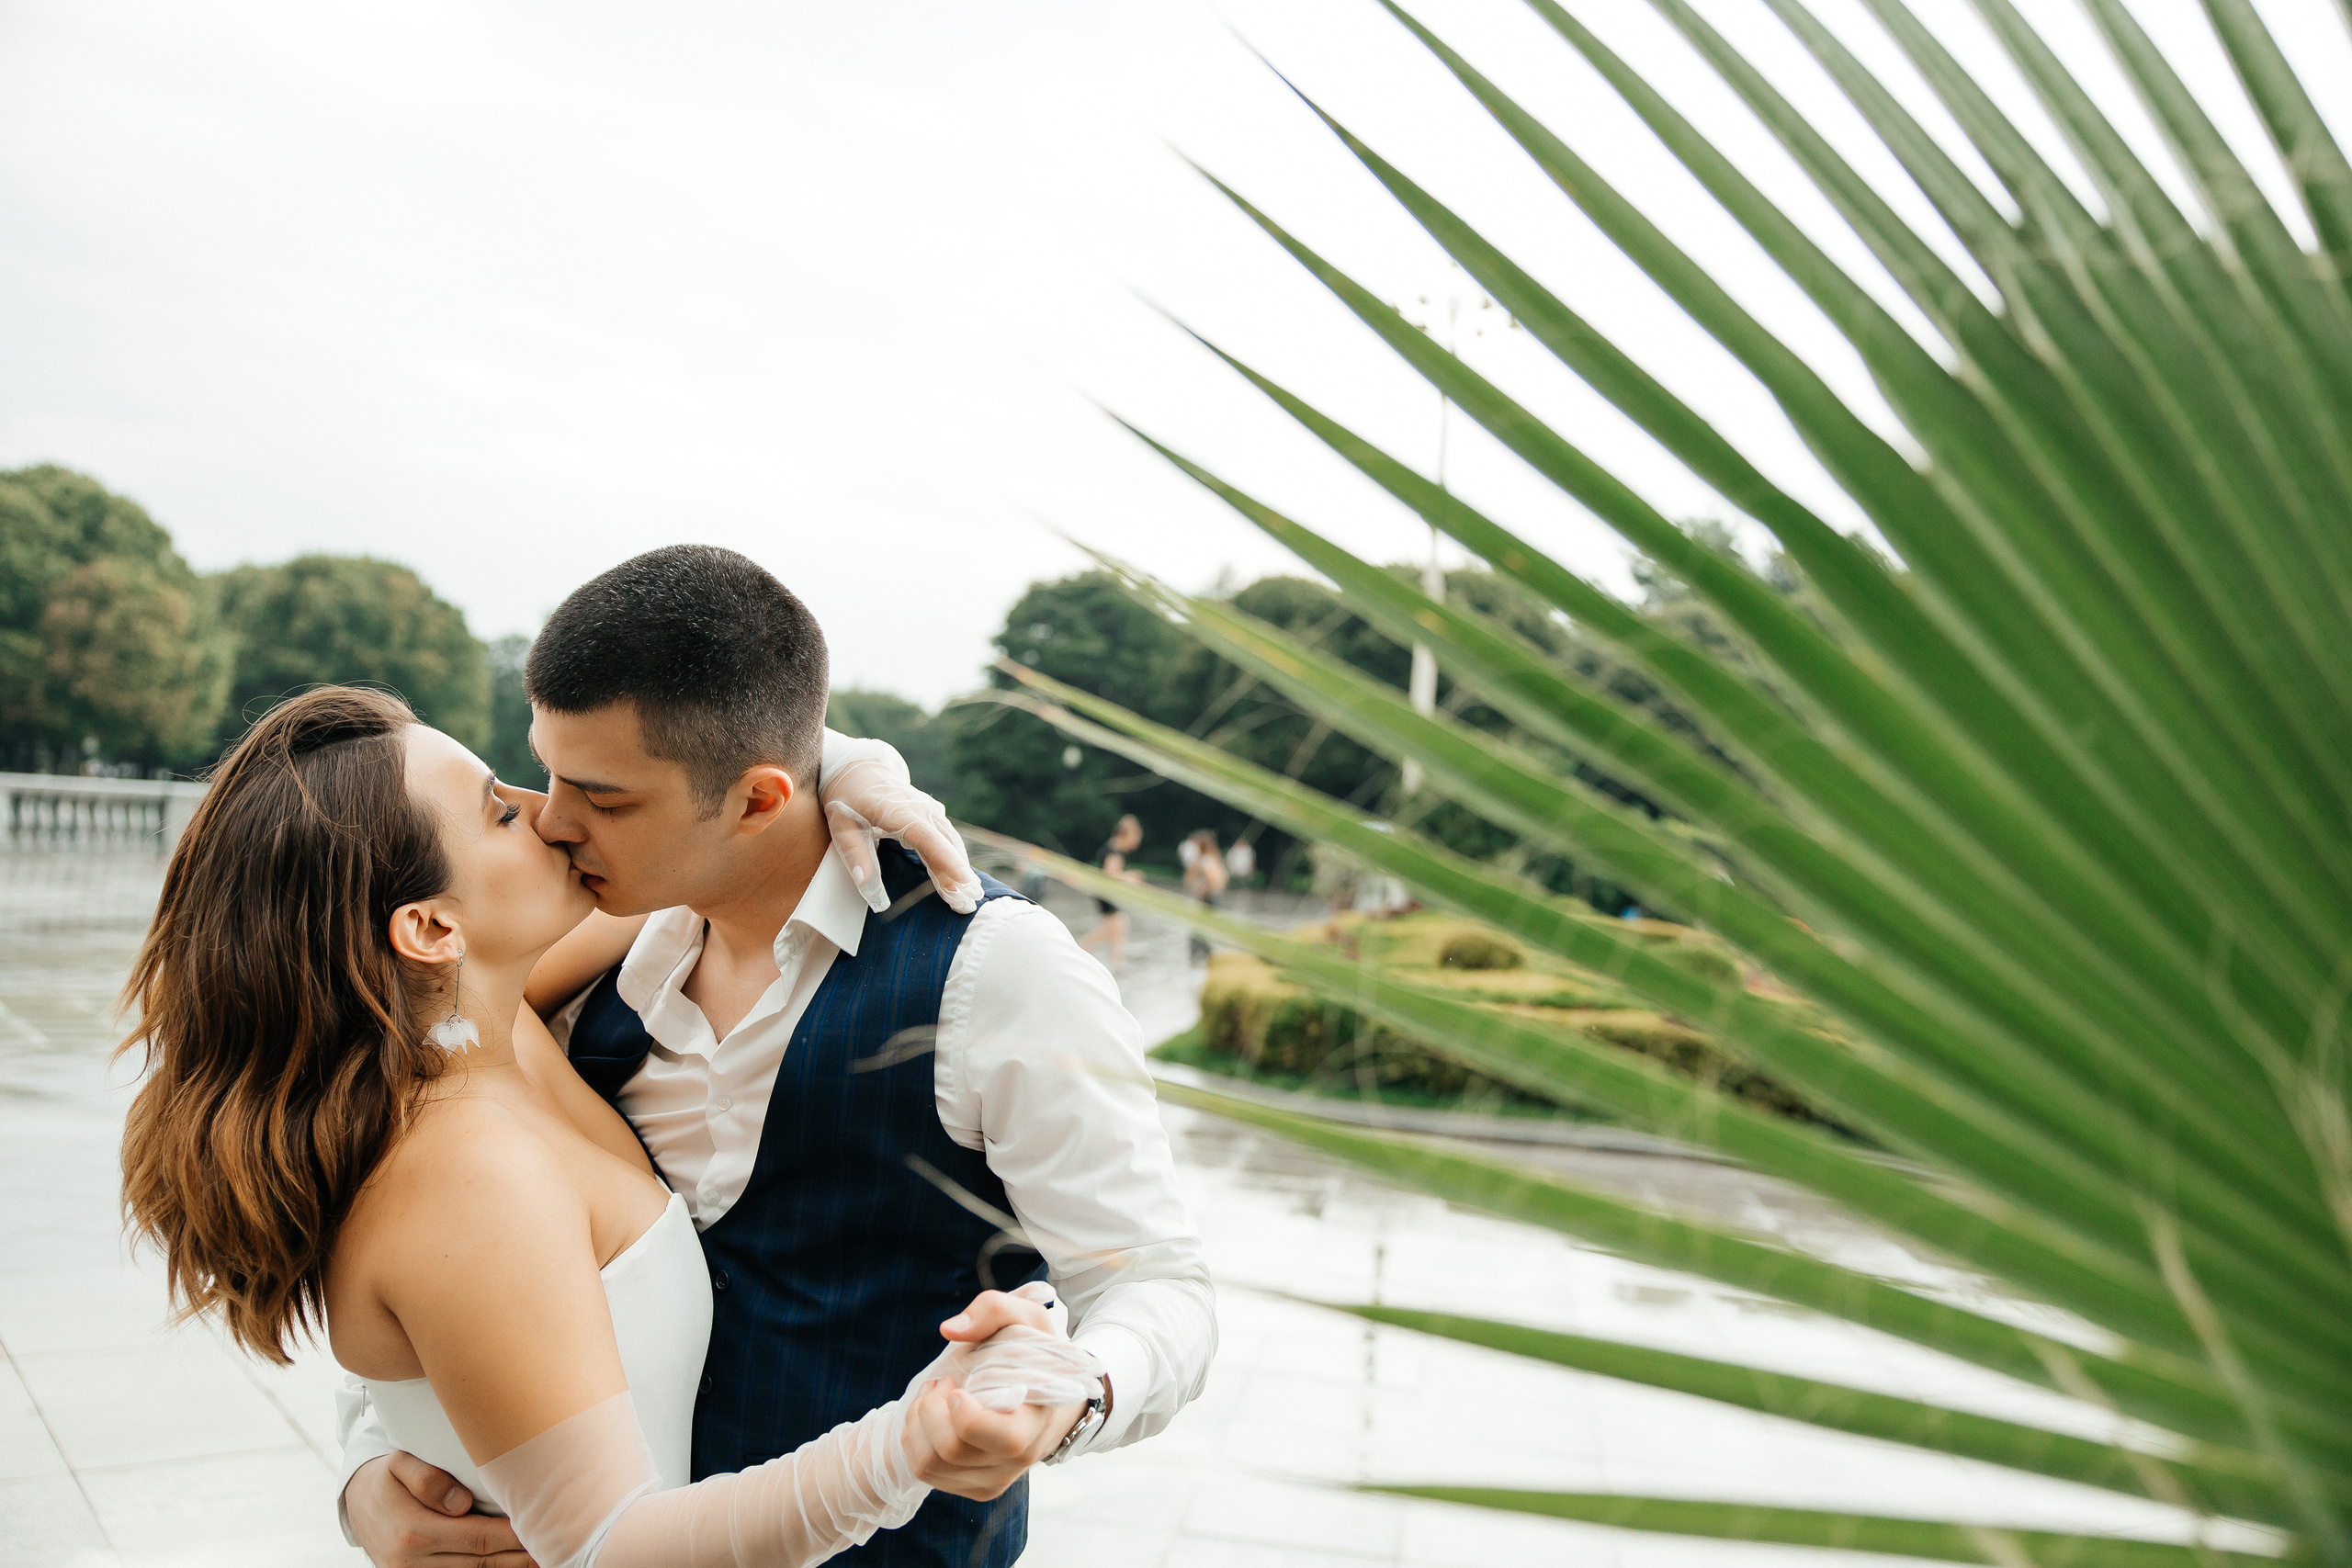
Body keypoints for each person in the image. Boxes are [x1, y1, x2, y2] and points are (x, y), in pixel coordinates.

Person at [339, 547, 1214, 1567]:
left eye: (604, 798)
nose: (552, 819)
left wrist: (1074, 1390)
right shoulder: (573, 967)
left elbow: (1157, 1281)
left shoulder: (996, 972)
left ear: (757, 800)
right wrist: (366, 1470)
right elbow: (433, 1246)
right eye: (545, 773)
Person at [118, 686, 1101, 1568]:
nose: (547, 812)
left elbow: (713, 828)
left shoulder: (492, 1027)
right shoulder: (465, 1170)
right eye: (500, 811)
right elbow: (608, 1548)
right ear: (429, 928)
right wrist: (913, 1440)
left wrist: (846, 763)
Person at [1075, 813, 1146, 974]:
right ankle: (1081, 952)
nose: (1136, 841)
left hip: (1104, 894)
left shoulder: (1113, 847)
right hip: (1106, 895)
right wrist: (1130, 878)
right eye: (1136, 836)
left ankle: (1116, 964)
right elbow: (1110, 875)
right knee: (1115, 927)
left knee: (1116, 928)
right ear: (1127, 834)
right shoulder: (1115, 850)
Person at [1180, 830, 1227, 964]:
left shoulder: (1206, 860)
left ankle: (1197, 957)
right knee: (1204, 929)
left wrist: (1200, 892)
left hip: (1206, 899)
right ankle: (1206, 956)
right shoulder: (1213, 858)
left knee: (1197, 930)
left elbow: (1211, 880)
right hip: (1212, 898)